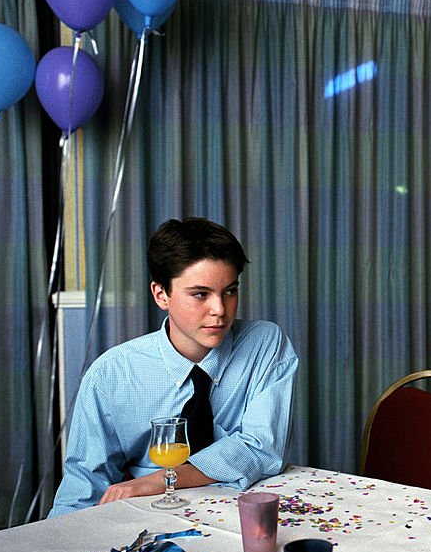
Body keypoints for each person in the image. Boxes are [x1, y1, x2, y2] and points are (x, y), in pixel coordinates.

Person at [49, 218, 298, 517]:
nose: (220, 309)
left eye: (230, 291)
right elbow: (84, 483)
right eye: (200, 294)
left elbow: (260, 448)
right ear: (161, 295)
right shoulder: (111, 374)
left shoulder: (264, 344)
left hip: (240, 510)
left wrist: (156, 480)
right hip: (149, 516)